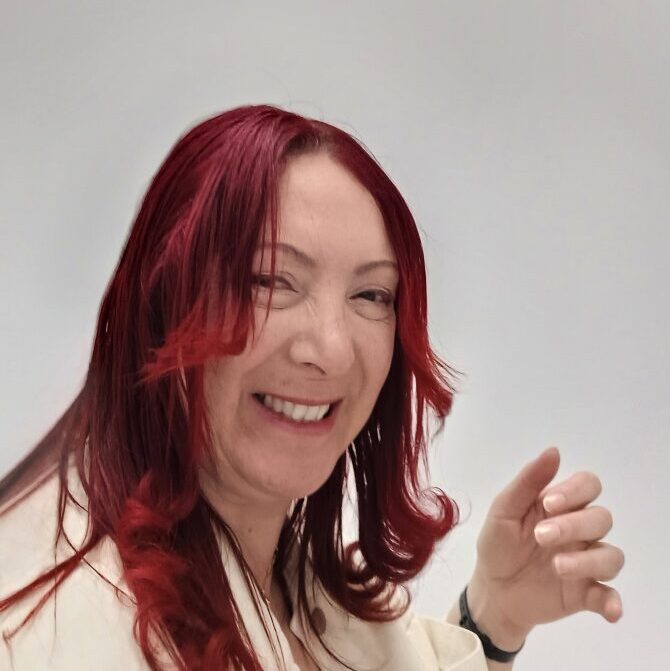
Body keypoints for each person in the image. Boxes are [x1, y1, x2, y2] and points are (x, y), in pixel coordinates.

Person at [0, 105, 624, 671]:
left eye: (370, 294)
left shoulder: (297, 582)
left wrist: (492, 619)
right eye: (272, 281)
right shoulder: (62, 633)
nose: (331, 349)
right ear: (163, 303)